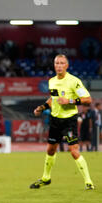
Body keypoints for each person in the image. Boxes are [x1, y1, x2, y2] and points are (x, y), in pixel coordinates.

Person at [30, 54, 95, 190]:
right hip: (55, 120)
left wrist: (70, 101)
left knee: (73, 151)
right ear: (54, 65)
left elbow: (88, 99)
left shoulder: (74, 81)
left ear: (67, 66)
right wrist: (42, 108)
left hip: (69, 120)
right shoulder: (52, 81)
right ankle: (46, 178)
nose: (59, 66)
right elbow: (52, 99)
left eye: (62, 63)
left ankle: (88, 182)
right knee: (50, 149)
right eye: (57, 63)